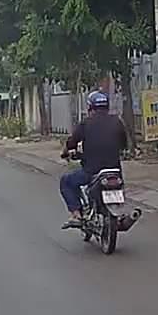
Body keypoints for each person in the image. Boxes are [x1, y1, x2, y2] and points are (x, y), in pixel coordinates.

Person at [58, 90, 128, 229]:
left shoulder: (86, 123)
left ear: (90, 107)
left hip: (92, 171)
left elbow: (71, 143)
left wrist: (65, 152)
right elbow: (124, 145)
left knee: (66, 181)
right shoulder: (117, 121)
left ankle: (76, 215)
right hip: (115, 171)